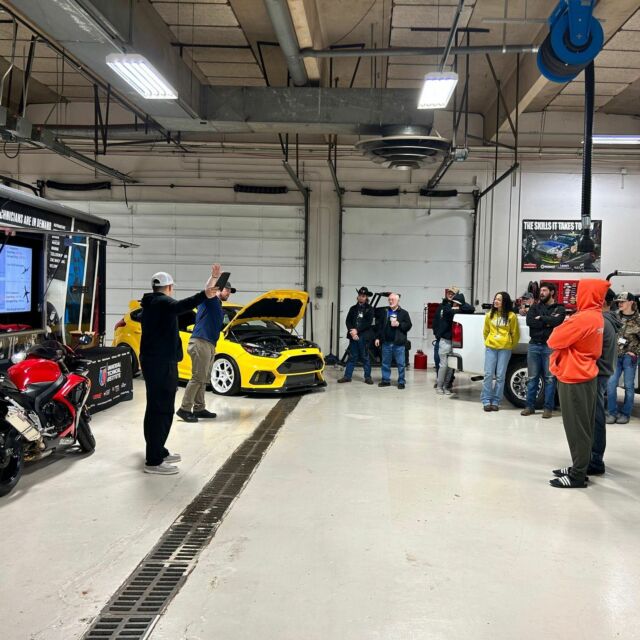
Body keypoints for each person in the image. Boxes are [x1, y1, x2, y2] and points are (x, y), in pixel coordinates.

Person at [140, 266, 219, 475]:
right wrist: (204, 294)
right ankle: (153, 461)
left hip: (159, 361)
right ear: (169, 287)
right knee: (160, 409)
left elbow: (183, 312)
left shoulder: (153, 305)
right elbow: (183, 305)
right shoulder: (161, 302)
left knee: (159, 408)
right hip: (160, 363)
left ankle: (158, 450)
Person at [548, 279, 609, 489]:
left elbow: (553, 340)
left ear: (587, 294)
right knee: (584, 425)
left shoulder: (583, 319)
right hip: (586, 375)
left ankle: (578, 475)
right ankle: (579, 466)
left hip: (574, 376)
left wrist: (565, 324)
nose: (575, 296)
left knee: (576, 427)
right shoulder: (596, 317)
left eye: (579, 291)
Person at [177, 281, 236, 422]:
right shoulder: (210, 300)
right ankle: (184, 409)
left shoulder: (218, 305)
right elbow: (208, 289)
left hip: (209, 343)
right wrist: (215, 278)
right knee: (197, 377)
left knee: (204, 378)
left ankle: (199, 408)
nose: (229, 293)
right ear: (218, 290)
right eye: (227, 290)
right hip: (200, 342)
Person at [586, 288, 621, 476]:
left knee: (596, 418)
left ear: (603, 301)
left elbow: (594, 350)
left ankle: (596, 460)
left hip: (598, 374)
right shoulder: (609, 320)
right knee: (596, 416)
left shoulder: (603, 322)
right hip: (604, 372)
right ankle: (594, 457)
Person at [521, 283, 566, 418]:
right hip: (534, 345)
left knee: (550, 379)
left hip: (549, 347)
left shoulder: (560, 308)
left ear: (552, 292)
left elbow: (557, 321)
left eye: (544, 290)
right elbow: (530, 322)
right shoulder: (535, 306)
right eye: (540, 290)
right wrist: (547, 322)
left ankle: (548, 408)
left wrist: (541, 318)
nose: (541, 293)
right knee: (532, 378)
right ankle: (529, 406)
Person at [481, 291, 519, 411]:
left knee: (500, 376)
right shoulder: (489, 315)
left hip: (505, 348)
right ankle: (486, 400)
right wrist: (489, 342)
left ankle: (496, 401)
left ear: (505, 302)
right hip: (491, 347)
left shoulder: (512, 316)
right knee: (488, 374)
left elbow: (515, 334)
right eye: (495, 299)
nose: (495, 301)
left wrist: (509, 344)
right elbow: (485, 332)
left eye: (499, 300)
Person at [606, 292, 640, 425]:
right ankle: (612, 413)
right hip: (615, 355)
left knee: (629, 386)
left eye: (623, 301)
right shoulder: (615, 316)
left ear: (631, 302)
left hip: (629, 358)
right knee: (611, 384)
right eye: (618, 301)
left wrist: (635, 352)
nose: (620, 303)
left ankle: (625, 414)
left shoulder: (638, 319)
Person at [434, 291, 474, 395]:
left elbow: (471, 308)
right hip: (445, 341)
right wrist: (457, 307)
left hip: (454, 342)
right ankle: (439, 386)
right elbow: (451, 311)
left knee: (451, 366)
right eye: (454, 303)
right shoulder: (447, 309)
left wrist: (459, 306)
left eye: (457, 303)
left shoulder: (457, 309)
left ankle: (446, 386)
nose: (455, 305)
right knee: (444, 365)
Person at [374, 293, 412, 389]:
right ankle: (386, 380)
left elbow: (408, 326)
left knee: (401, 364)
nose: (390, 301)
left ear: (398, 301)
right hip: (386, 342)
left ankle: (401, 381)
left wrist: (399, 324)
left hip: (398, 343)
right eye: (389, 300)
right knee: (385, 363)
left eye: (392, 300)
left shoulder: (404, 313)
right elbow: (380, 327)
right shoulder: (385, 312)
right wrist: (378, 338)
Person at [338, 286, 375, 385]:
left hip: (363, 337)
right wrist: (352, 332)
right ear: (358, 297)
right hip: (353, 336)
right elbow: (348, 321)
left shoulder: (370, 309)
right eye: (360, 295)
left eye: (363, 296)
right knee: (352, 356)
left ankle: (368, 377)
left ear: (366, 297)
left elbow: (368, 323)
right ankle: (347, 376)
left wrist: (357, 331)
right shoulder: (353, 308)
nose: (361, 297)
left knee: (365, 357)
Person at [433, 286, 458, 382]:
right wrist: (437, 333)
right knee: (438, 361)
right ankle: (439, 381)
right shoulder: (441, 306)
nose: (450, 294)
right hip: (440, 339)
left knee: (451, 363)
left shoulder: (458, 306)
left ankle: (448, 382)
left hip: (452, 340)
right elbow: (435, 321)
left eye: (453, 293)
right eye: (449, 292)